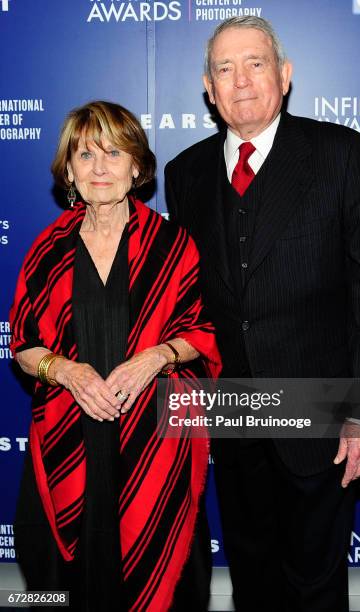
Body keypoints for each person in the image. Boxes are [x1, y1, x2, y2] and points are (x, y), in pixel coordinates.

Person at [165, 16, 360, 612]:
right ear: (208, 88)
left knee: (315, 583)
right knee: (252, 576)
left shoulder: (340, 153)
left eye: (255, 63)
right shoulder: (184, 173)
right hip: (233, 414)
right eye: (225, 68)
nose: (240, 80)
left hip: (323, 412)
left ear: (285, 75)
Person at [10, 100, 221, 612]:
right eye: (85, 154)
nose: (99, 167)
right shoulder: (47, 248)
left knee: (161, 575)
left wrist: (155, 357)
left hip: (156, 445)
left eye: (113, 152)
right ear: (69, 171)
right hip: (69, 436)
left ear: (137, 166)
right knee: (61, 582)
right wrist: (63, 370)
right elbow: (23, 344)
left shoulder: (174, 244)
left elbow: (206, 332)